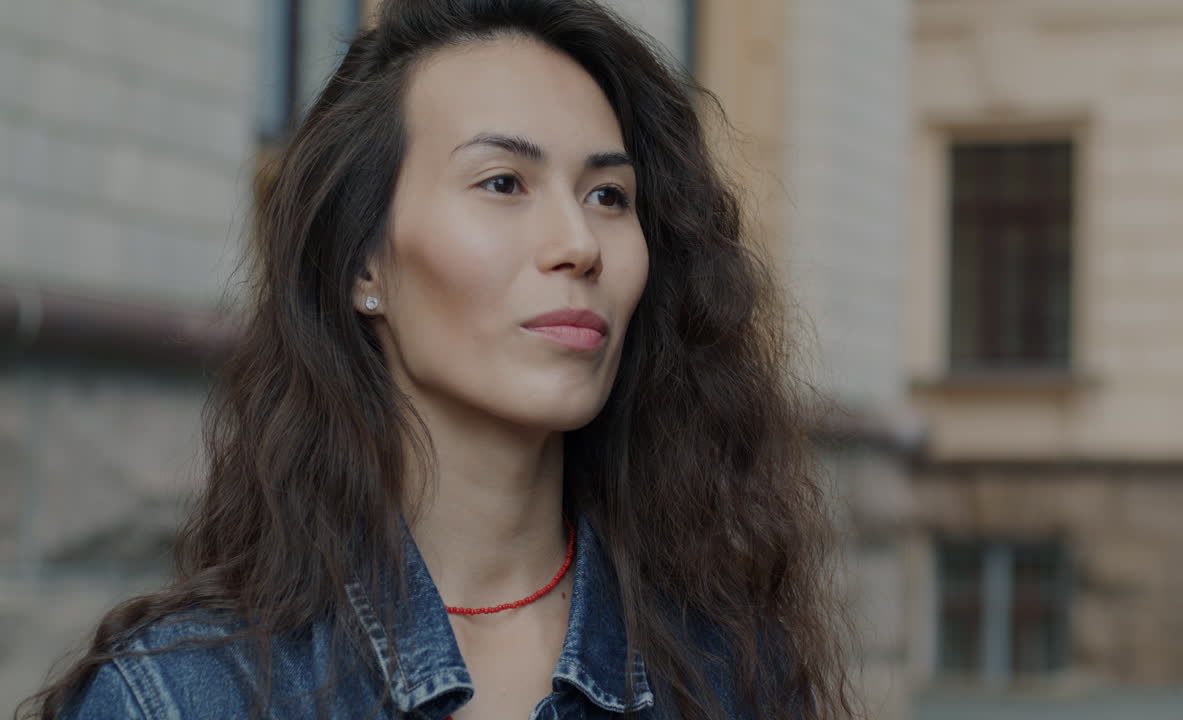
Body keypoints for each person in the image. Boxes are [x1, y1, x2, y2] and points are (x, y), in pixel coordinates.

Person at [20, 0, 855, 718]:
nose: (578, 244)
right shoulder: (185, 694)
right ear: (364, 266)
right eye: (503, 182)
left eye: (608, 196)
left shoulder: (729, 672)